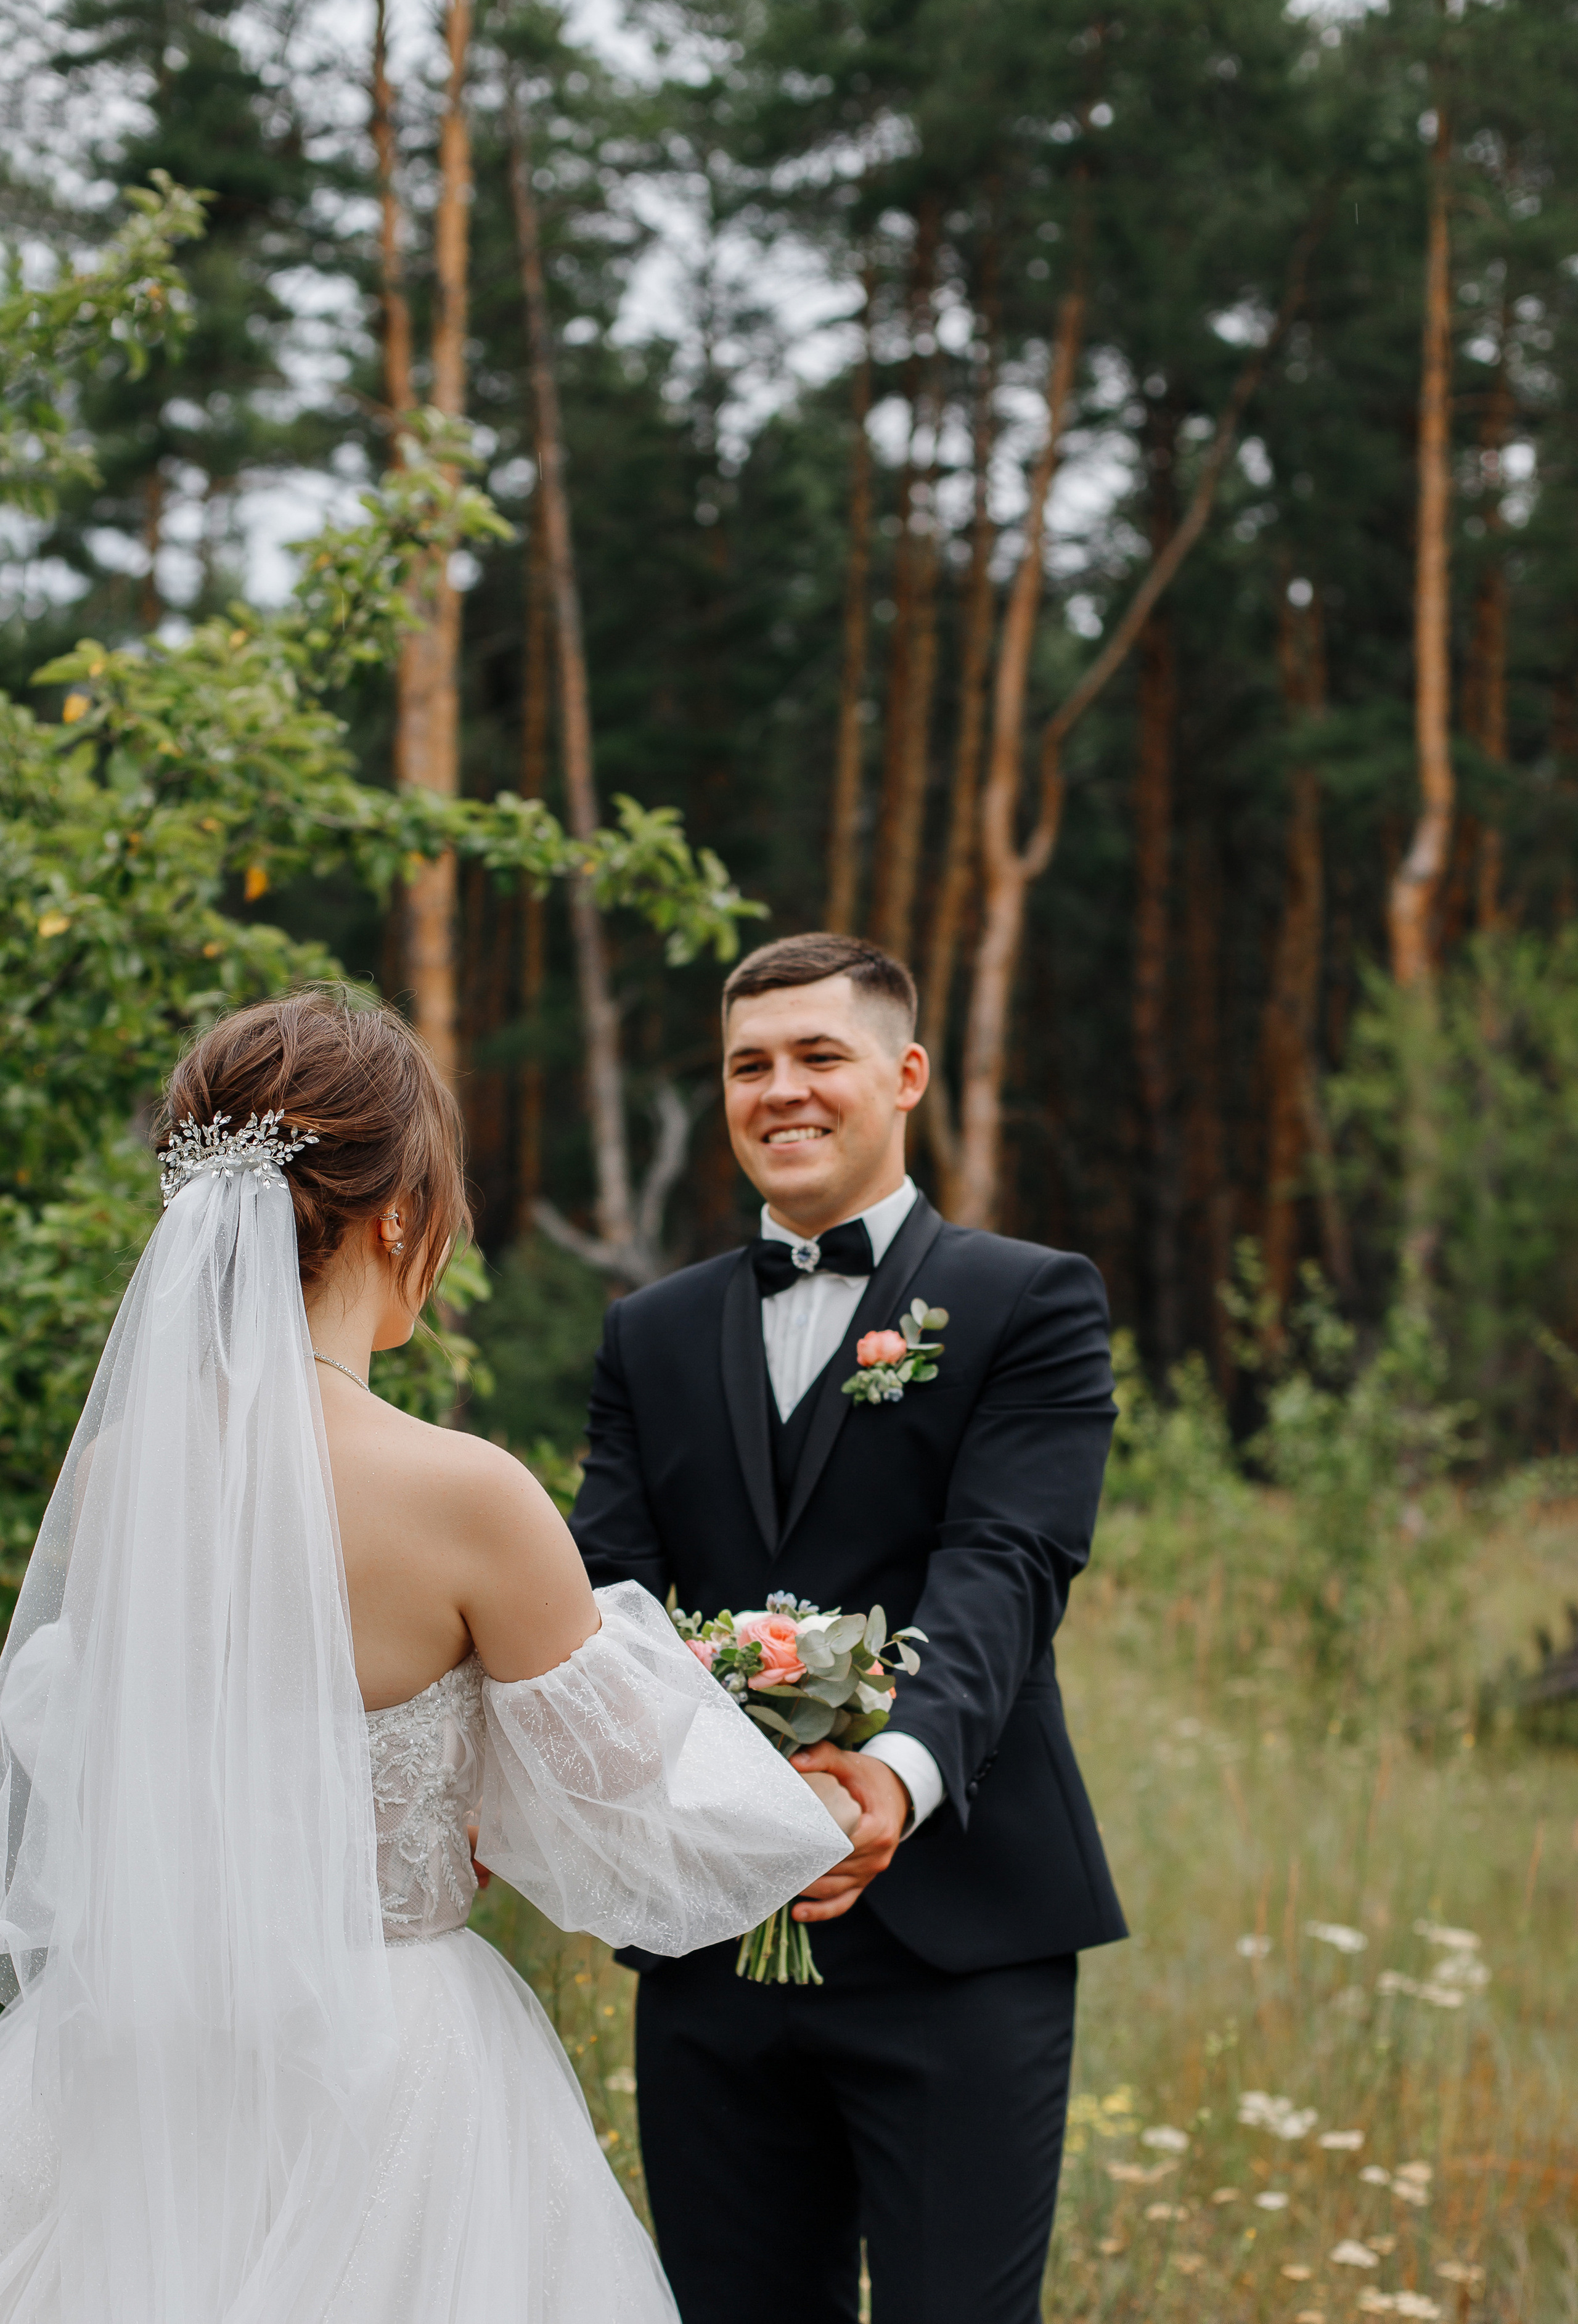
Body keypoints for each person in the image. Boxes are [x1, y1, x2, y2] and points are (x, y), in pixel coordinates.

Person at [0, 988, 849, 2323]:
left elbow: (99, 1772)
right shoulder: (468, 1495)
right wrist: (803, 1794)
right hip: (387, 2069)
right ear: (399, 1213)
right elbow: (631, 1818)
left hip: (146, 2059)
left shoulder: (114, 1478)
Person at [571, 931, 1127, 2324]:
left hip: (956, 1935)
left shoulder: (1027, 1299)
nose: (783, 1092)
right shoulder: (648, 1332)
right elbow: (608, 1595)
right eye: (748, 1065)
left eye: (819, 1055)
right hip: (709, 1939)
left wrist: (892, 1772)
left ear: (905, 1074)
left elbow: (1006, 1560)